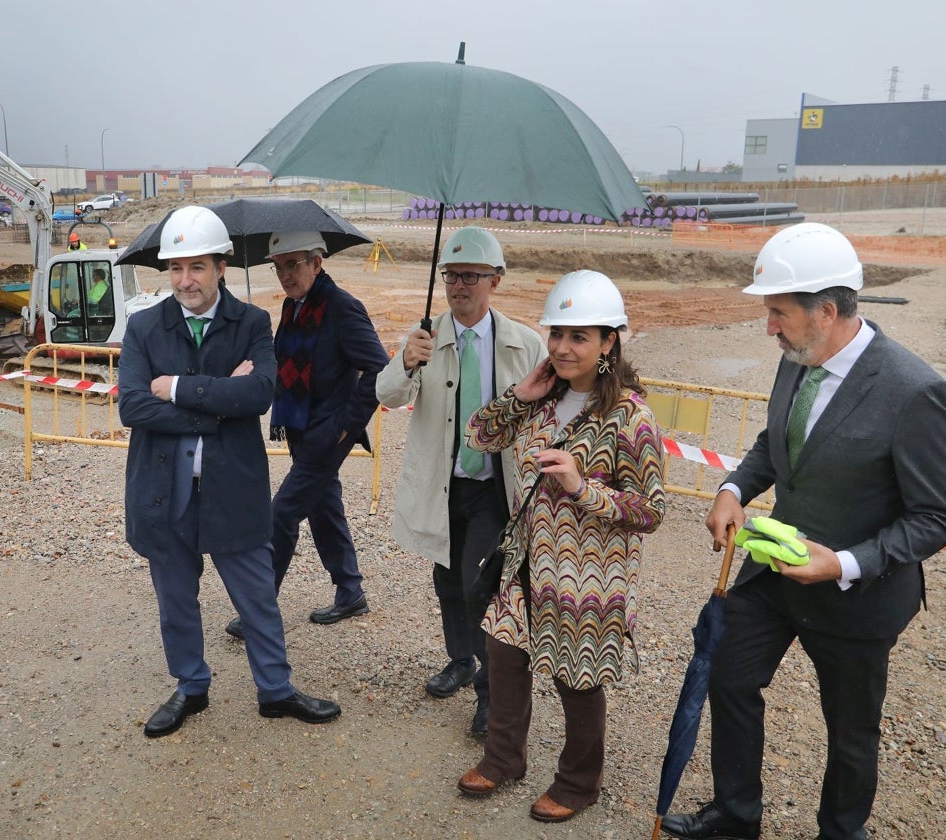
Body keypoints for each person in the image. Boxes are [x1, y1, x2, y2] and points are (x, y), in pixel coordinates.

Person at [662, 223, 946, 840]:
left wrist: (841, 563)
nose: (768, 327)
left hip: (858, 593)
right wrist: (732, 489)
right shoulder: (798, 359)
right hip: (773, 573)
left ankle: (841, 832)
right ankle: (736, 816)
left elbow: (933, 519)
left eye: (778, 312)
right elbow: (776, 444)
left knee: (850, 730)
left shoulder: (913, 389)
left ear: (826, 310)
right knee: (729, 678)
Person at [118, 206, 341, 738]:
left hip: (232, 487)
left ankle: (276, 690)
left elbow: (261, 393)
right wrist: (221, 403)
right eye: (176, 268)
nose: (185, 280)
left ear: (220, 267)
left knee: (257, 595)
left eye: (196, 267)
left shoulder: (252, 323)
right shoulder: (145, 326)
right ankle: (190, 687)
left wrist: (172, 387)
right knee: (175, 599)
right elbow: (131, 407)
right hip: (162, 490)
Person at [455, 269, 666, 824]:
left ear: (608, 342)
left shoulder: (630, 416)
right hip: (525, 565)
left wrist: (582, 487)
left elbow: (650, 510)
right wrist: (518, 395)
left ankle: (577, 784)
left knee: (577, 678)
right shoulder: (541, 400)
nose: (562, 347)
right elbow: (479, 437)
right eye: (557, 334)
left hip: (590, 579)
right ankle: (503, 760)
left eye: (578, 336)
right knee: (502, 657)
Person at [375, 227, 547, 736]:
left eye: (470, 276)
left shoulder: (524, 342)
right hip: (444, 484)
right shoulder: (426, 338)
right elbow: (386, 394)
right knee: (447, 579)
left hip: (495, 487)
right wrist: (407, 360)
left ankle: (491, 696)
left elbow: (546, 411)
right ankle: (459, 659)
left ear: (494, 280)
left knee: (482, 586)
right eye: (451, 276)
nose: (458, 286)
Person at [225, 231, 389, 638]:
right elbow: (286, 363)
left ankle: (258, 608)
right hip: (300, 428)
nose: (284, 274)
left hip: (326, 434)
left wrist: (346, 426)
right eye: (278, 266)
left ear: (318, 263)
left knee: (280, 513)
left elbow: (379, 369)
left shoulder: (342, 307)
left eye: (293, 264)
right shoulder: (294, 307)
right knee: (323, 506)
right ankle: (350, 590)